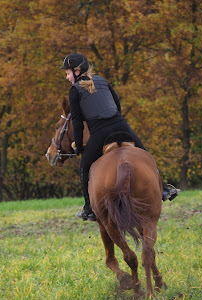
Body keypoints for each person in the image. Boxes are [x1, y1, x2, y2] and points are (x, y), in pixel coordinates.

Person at [61, 53, 179, 221]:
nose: (67, 77)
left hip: (100, 132)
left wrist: (79, 146)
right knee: (145, 154)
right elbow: (117, 104)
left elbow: (78, 122)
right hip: (120, 124)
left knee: (85, 167)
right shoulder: (102, 80)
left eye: (67, 73)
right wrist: (118, 122)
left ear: (77, 71)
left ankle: (88, 208)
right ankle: (164, 189)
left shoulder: (74, 90)